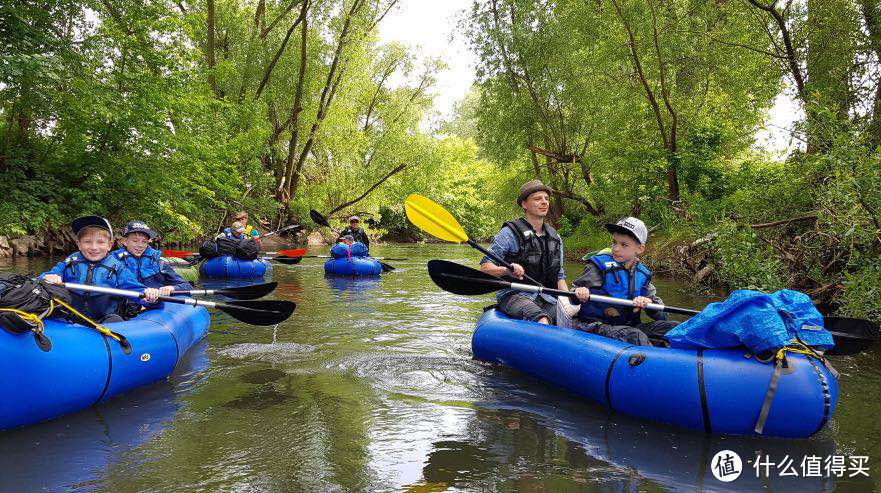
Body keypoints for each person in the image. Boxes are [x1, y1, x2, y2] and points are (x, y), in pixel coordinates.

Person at [570, 217, 679, 346]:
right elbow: (572, 295)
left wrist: (649, 303)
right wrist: (579, 292)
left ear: (640, 249)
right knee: (636, 336)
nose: (616, 248)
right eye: (614, 242)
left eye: (623, 245)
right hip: (594, 326)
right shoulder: (598, 267)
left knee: (674, 327)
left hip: (628, 326)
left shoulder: (643, 275)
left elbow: (662, 316)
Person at [41, 216, 160, 324]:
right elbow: (45, 277)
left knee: (115, 320)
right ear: (79, 244)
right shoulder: (69, 262)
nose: (94, 247)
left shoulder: (118, 268)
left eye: (100, 242)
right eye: (87, 242)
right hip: (70, 319)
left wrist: (150, 296)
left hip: (104, 321)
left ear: (109, 245)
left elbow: (139, 291)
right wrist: (50, 276)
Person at [480, 180, 567, 325]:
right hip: (514, 296)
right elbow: (485, 268)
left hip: (547, 297)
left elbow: (559, 277)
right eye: (538, 199)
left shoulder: (555, 238)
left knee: (572, 317)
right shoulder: (509, 234)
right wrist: (506, 270)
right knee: (542, 319)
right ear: (524, 204)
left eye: (546, 199)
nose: (544, 202)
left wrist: (567, 303)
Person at [112, 220, 192, 294]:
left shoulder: (159, 263)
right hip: (126, 306)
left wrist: (172, 288)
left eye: (144, 242)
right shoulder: (113, 262)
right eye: (135, 241)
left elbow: (186, 286)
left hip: (155, 305)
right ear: (125, 241)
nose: (140, 245)